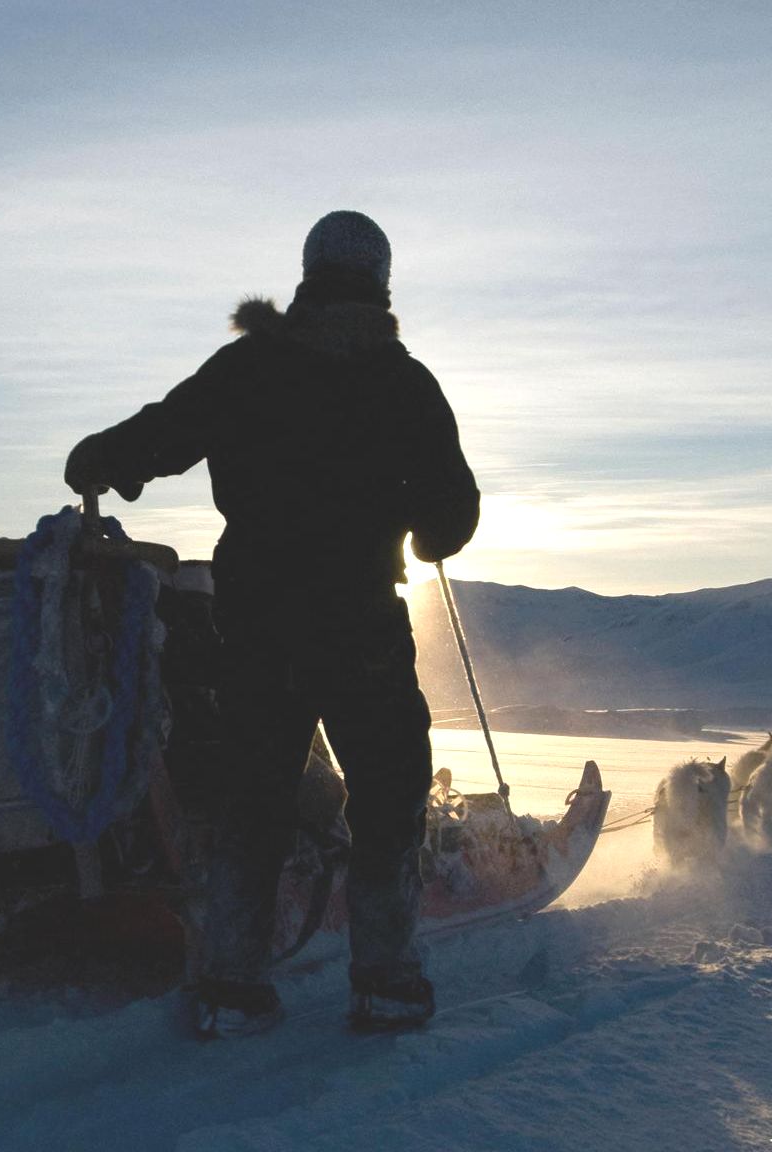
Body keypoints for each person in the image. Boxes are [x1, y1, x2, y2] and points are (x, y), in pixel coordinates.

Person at [64, 210, 479, 1035]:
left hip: (257, 629)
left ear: (308, 275)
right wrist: (419, 527)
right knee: (390, 797)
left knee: (253, 800)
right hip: (362, 628)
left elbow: (162, 433)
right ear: (381, 283)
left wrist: (100, 457)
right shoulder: (404, 383)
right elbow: (451, 517)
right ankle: (386, 979)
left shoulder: (248, 368)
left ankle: (230, 984)